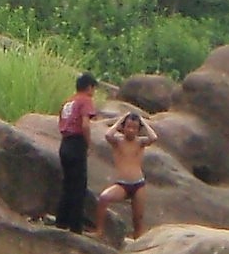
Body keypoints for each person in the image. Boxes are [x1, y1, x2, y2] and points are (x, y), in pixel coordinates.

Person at [95, 110, 156, 244]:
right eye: (128, 127)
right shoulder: (118, 141)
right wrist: (121, 119)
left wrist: (142, 121)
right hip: (122, 184)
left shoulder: (140, 142)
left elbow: (153, 138)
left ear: (138, 130)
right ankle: (99, 231)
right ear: (123, 128)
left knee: (138, 219)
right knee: (104, 198)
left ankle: (137, 242)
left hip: (138, 184)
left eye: (134, 128)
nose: (131, 130)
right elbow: (108, 134)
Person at [53, 74, 99, 230]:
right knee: (79, 186)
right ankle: (75, 226)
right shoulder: (85, 100)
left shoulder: (68, 101)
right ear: (89, 87)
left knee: (67, 184)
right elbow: (85, 124)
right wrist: (89, 144)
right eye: (93, 88)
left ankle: (61, 221)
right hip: (77, 142)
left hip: (65, 142)